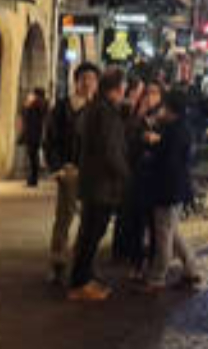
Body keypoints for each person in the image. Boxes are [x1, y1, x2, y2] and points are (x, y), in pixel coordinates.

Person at [67, 68, 130, 301]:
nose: (125, 91)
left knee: (90, 233)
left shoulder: (99, 109)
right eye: (123, 86)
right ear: (116, 88)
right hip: (101, 184)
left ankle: (85, 277)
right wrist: (125, 175)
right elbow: (110, 150)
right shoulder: (105, 112)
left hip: (96, 182)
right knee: (91, 234)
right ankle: (80, 283)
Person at [44, 62, 99, 283]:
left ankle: (82, 262)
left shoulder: (99, 109)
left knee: (90, 221)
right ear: (76, 81)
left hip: (92, 172)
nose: (88, 83)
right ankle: (58, 263)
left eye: (92, 79)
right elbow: (51, 139)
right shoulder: (63, 106)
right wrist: (57, 167)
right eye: (84, 78)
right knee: (64, 218)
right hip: (69, 170)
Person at [143, 88, 201, 292]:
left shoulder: (173, 130)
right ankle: (191, 268)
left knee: (163, 236)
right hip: (177, 188)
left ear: (171, 109)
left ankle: (157, 277)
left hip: (167, 188)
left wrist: (152, 148)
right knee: (172, 231)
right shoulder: (182, 127)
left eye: (164, 106)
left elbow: (167, 160)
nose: (161, 109)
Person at [115, 81, 163, 281]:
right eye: (147, 93)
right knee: (137, 222)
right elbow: (126, 142)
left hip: (157, 179)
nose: (150, 97)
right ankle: (136, 262)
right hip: (137, 179)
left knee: (155, 225)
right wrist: (142, 136)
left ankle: (154, 262)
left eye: (154, 93)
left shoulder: (164, 119)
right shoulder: (134, 119)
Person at [19, 89, 49, 187]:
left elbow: (26, 115)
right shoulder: (43, 104)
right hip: (37, 133)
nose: (31, 95)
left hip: (33, 133)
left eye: (33, 94)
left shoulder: (36, 104)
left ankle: (33, 178)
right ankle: (33, 177)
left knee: (32, 156)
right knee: (33, 156)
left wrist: (27, 105)